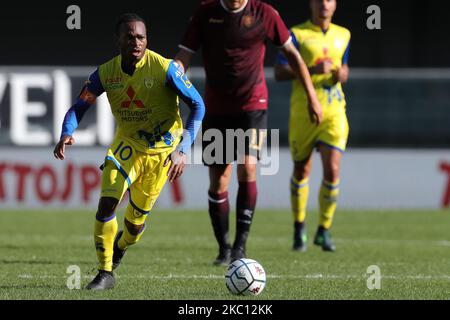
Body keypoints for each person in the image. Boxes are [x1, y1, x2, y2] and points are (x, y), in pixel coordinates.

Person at [53, 13, 205, 289]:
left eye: (141, 37)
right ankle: (105, 273)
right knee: (107, 203)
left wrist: (182, 149)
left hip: (161, 153)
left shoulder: (166, 69)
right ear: (118, 40)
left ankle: (122, 244)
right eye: (130, 37)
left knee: (134, 227)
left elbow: (198, 106)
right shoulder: (105, 74)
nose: (136, 42)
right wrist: (67, 133)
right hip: (127, 145)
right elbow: (80, 106)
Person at [175, 0, 322, 265]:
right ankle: (224, 248)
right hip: (216, 107)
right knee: (219, 180)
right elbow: (183, 56)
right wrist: (172, 85)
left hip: (252, 105)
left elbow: (292, 55)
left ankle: (241, 247)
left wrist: (312, 95)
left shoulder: (264, 13)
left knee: (248, 168)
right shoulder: (205, 14)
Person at [275, 0, 351, 252]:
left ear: (335, 4)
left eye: (328, 0)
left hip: (334, 112)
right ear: (311, 4)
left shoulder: (344, 35)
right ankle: (299, 227)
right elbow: (279, 71)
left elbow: (345, 66)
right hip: (303, 111)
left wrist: (343, 74)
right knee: (301, 171)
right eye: (319, 0)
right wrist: (310, 69)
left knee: (332, 170)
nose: (324, 5)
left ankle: (324, 230)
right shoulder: (296, 34)